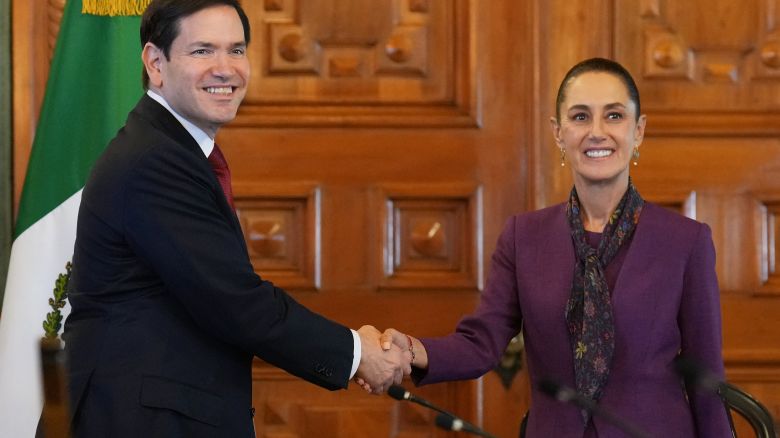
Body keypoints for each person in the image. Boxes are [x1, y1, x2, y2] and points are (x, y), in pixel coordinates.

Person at [63, 1, 409, 437]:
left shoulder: (169, 149)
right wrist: (357, 354)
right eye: (203, 51)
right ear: (155, 63)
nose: (225, 69)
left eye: (237, 50)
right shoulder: (153, 161)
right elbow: (235, 302)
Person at [375, 58, 731, 437]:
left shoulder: (685, 241)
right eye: (580, 117)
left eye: (614, 116)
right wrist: (409, 350)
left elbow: (707, 381)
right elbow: (480, 344)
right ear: (558, 133)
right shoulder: (523, 236)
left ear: (638, 130)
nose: (597, 132)